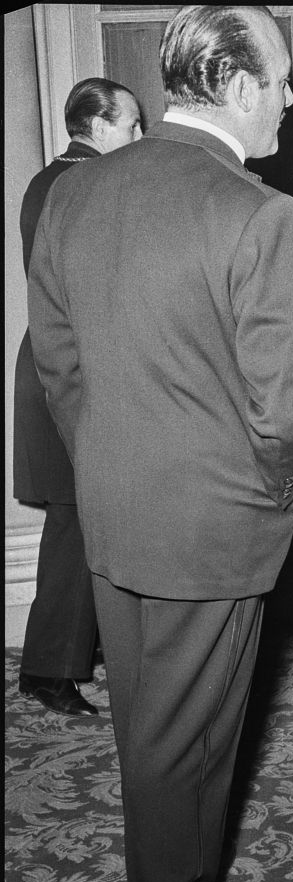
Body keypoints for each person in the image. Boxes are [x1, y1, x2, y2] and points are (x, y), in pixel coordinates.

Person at [28, 5, 293, 882]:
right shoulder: (261, 213)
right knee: (190, 740)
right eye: (279, 81)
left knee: (146, 725)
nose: (289, 100)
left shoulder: (72, 192)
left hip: (113, 508)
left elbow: (58, 367)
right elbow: (286, 412)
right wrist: (271, 498)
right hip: (213, 525)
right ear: (235, 87)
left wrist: (109, 461)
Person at [15, 78, 142, 717]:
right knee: (75, 524)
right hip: (69, 371)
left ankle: (62, 659)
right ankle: (48, 671)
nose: (139, 136)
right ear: (98, 123)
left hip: (54, 363)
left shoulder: (52, 179)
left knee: (78, 521)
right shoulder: (85, 182)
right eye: (131, 124)